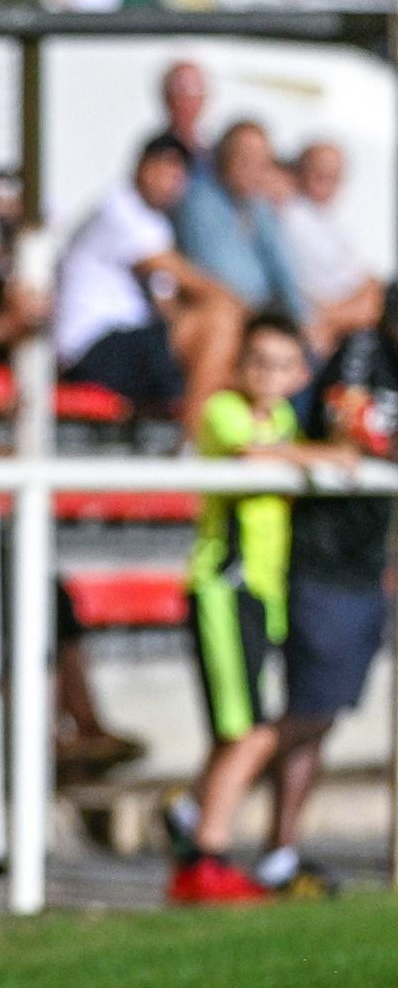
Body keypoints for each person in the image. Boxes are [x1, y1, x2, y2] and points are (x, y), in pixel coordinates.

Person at [159, 314, 343, 903]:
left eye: (282, 364)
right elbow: (249, 458)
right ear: (238, 366)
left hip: (262, 594)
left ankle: (191, 818)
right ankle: (206, 856)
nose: (268, 374)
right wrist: (323, 456)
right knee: (251, 734)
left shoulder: (283, 419)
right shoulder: (225, 411)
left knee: (235, 732)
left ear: (300, 374)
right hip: (224, 589)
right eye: (258, 361)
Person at [255, 285, 398, 896]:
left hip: (367, 567)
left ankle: (279, 853)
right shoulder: (363, 350)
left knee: (323, 716)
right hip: (323, 561)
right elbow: (349, 430)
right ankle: (214, 802)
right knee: (311, 712)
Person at [54, 137, 242, 430]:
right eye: (162, 170)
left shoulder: (155, 224)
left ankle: (210, 437)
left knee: (230, 345)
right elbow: (188, 279)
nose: (169, 182)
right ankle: (192, 445)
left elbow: (168, 304)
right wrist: (241, 310)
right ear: (140, 167)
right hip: (90, 346)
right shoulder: (119, 209)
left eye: (176, 175)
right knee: (219, 325)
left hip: (123, 341)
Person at [175, 122, 309, 338]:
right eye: (244, 158)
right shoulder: (200, 203)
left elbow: (282, 269)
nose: (253, 168)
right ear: (224, 158)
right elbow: (223, 277)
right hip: (228, 317)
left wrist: (303, 321)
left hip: (264, 315)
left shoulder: (257, 205)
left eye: (262, 162)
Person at [280, 143, 386, 351]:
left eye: (334, 175)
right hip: (313, 311)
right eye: (319, 172)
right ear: (300, 171)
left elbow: (367, 281)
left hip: (336, 313)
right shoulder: (288, 212)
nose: (327, 180)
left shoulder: (333, 222)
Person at [145, 61, 211, 174]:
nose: (186, 101)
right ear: (166, 97)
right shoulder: (155, 152)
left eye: (195, 90)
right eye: (180, 89)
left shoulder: (212, 152)